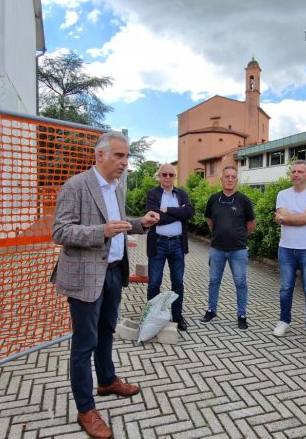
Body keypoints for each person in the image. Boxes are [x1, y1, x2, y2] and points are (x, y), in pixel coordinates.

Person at [51, 131, 160, 439]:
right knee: (84, 344)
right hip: (86, 276)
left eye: (127, 156)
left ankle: (107, 380)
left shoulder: (115, 188)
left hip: (113, 272)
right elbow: (60, 231)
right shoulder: (76, 186)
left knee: (107, 331)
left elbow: (118, 222)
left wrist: (141, 223)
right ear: (100, 156)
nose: (125, 162)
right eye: (119, 156)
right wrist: (102, 231)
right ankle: (86, 409)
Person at [272, 160, 306, 346]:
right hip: (286, 247)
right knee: (285, 288)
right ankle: (284, 321)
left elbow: (305, 217)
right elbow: (298, 217)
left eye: (300, 171)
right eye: (293, 171)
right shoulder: (282, 194)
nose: (295, 174)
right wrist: (305, 217)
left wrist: (291, 217)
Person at [199, 165, 256, 330]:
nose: (230, 179)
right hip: (217, 249)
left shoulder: (244, 200)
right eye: (227, 176)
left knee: (240, 282)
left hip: (238, 250)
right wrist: (221, 232)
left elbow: (251, 224)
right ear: (221, 179)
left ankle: (242, 315)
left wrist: (239, 236)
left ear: (236, 180)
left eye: (233, 177)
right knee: (214, 281)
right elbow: (209, 220)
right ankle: (211, 310)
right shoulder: (213, 199)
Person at [146, 164, 195, 331]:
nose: (167, 177)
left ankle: (177, 314)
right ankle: (151, 316)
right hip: (158, 243)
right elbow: (154, 218)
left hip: (177, 244)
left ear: (175, 176)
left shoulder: (182, 194)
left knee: (178, 282)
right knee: (154, 283)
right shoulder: (152, 194)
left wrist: (167, 210)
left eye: (171, 174)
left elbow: (189, 212)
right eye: (164, 174)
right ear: (159, 176)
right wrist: (178, 214)